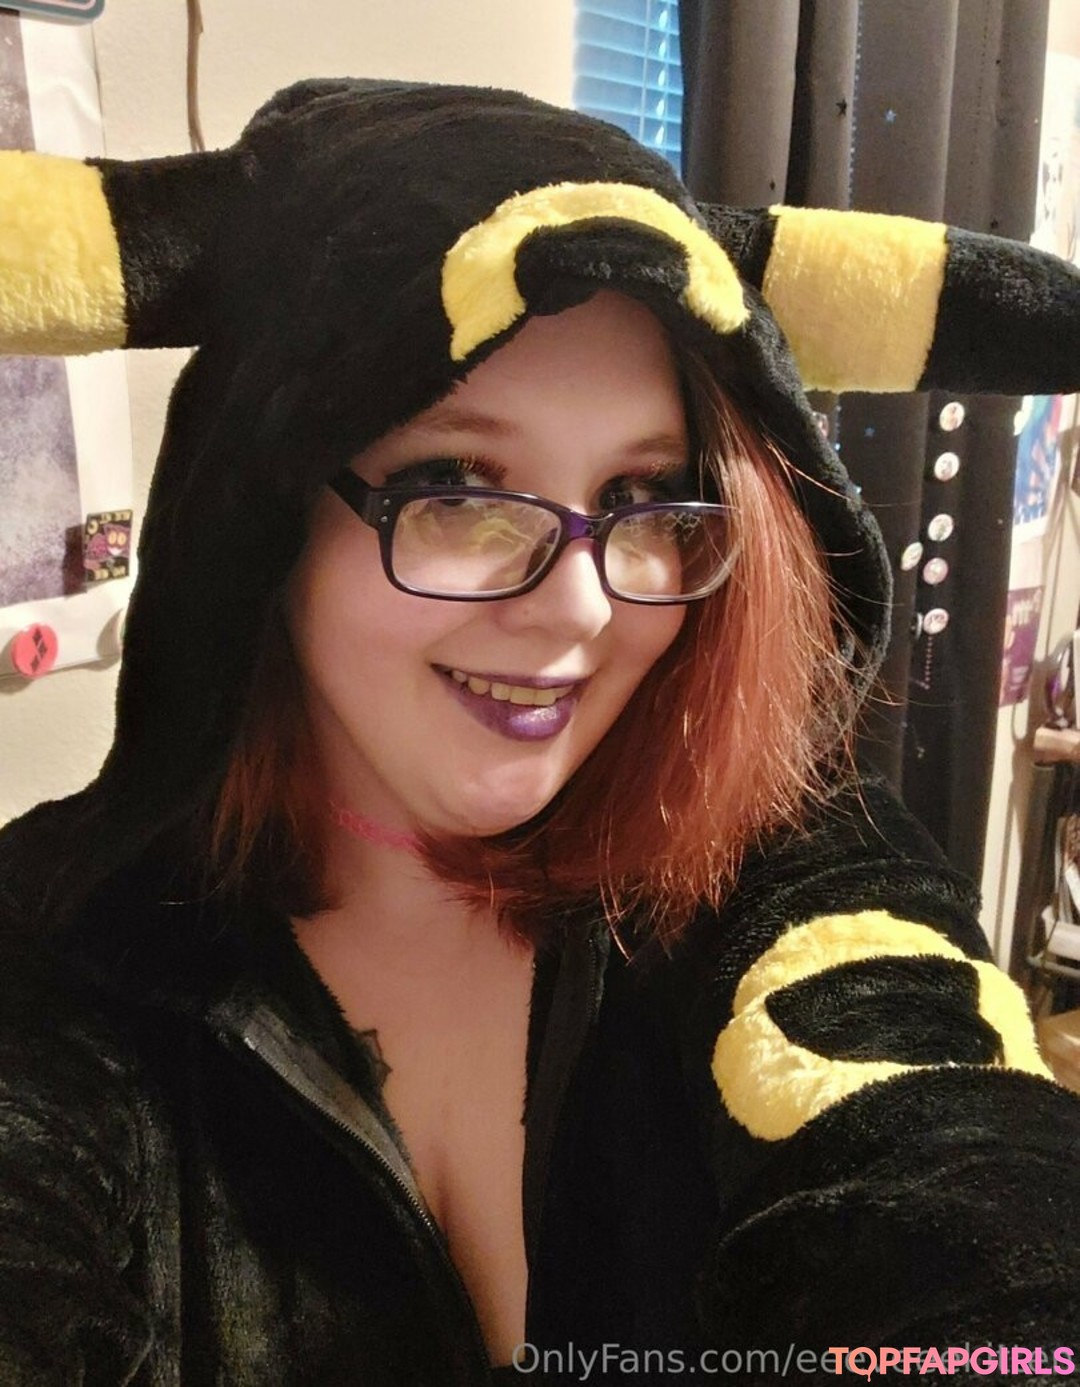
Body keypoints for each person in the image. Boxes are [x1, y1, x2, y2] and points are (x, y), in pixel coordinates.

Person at [0, 78, 1079, 1385]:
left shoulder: (791, 873)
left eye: (647, 493)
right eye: (458, 487)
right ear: (262, 515)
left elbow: (947, 1169)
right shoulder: (61, 939)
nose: (580, 609)